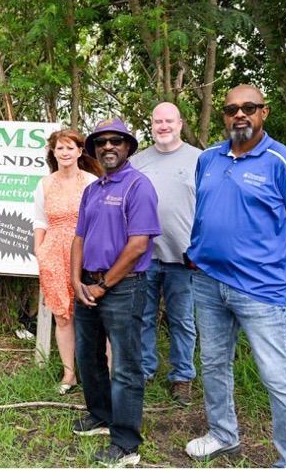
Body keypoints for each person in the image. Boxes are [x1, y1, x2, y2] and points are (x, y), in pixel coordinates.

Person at [184, 85, 286, 467]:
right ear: (224, 116)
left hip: (262, 290)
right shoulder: (209, 158)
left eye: (249, 107)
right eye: (232, 109)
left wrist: (277, 263)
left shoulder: (283, 161)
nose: (240, 114)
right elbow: (207, 211)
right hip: (209, 282)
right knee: (213, 364)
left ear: (265, 112)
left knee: (278, 376)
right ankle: (223, 435)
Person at [69, 118, 160, 467]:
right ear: (94, 149)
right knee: (88, 357)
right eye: (102, 142)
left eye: (116, 141)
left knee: (124, 366)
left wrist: (104, 285)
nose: (108, 146)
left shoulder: (139, 185)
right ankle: (101, 416)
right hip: (88, 284)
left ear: (127, 147)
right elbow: (79, 237)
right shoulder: (92, 189)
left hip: (123, 288)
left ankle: (125, 443)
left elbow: (138, 245)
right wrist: (77, 281)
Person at [129, 102, 200, 406]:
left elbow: (210, 208)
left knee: (182, 319)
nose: (163, 126)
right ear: (151, 125)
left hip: (184, 257)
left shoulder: (201, 159)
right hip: (144, 255)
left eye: (169, 121)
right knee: (142, 317)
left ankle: (182, 377)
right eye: (158, 121)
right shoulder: (137, 161)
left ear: (180, 124)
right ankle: (145, 370)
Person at [32, 129, 102, 394]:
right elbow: (40, 220)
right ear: (53, 152)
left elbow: (101, 218)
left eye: (70, 148)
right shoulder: (45, 184)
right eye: (60, 148)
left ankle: (103, 370)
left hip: (86, 250)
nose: (64, 153)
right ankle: (69, 372)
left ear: (80, 151)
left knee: (95, 312)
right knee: (63, 316)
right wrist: (39, 249)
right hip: (54, 252)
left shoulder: (92, 182)